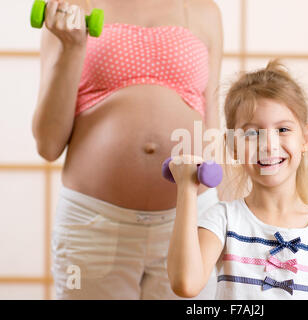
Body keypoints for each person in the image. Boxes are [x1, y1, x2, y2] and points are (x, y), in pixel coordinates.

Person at [31, 0, 223, 299]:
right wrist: (72, 48)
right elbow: (48, 145)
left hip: (191, 220)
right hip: (94, 223)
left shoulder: (203, 10)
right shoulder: (69, 10)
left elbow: (211, 121)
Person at [166, 60, 308, 300]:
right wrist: (187, 189)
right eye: (252, 133)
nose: (268, 145)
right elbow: (185, 284)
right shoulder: (224, 220)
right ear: (233, 146)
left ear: (305, 138)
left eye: (283, 130)